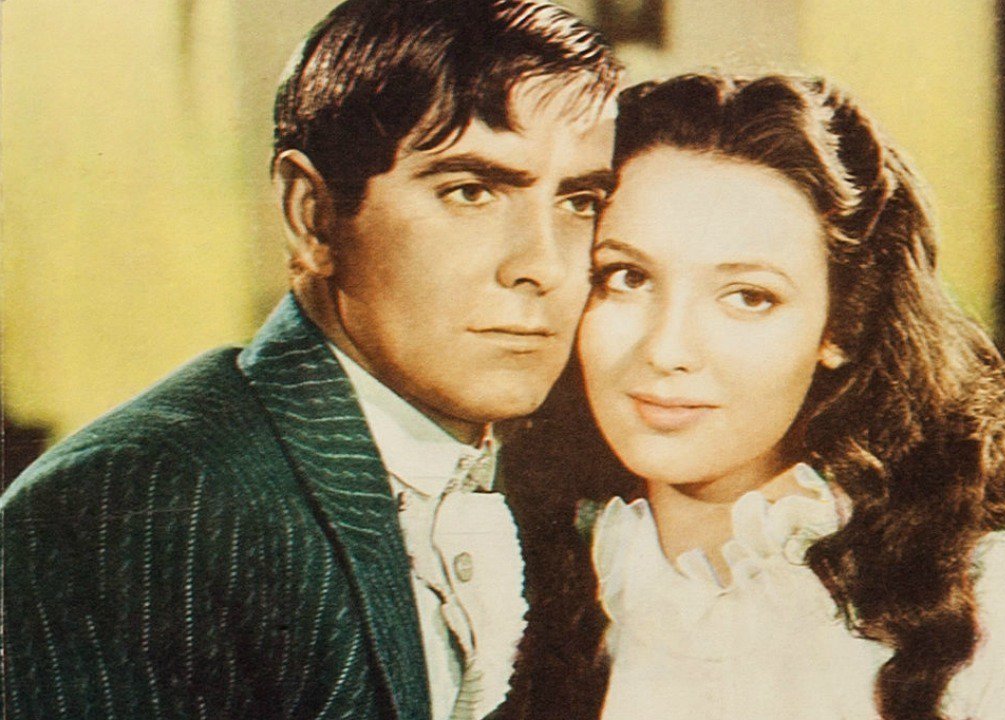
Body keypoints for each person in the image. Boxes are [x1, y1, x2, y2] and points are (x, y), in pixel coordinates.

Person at [0, 1, 618, 718]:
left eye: (579, 202)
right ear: (313, 217)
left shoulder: (557, 487)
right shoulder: (132, 508)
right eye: (471, 192)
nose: (544, 266)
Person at [504, 73, 1005, 720]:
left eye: (749, 297)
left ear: (841, 326)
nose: (666, 348)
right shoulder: (510, 559)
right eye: (626, 277)